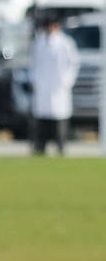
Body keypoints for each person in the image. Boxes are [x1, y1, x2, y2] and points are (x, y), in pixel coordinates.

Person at [29, 10, 79, 156]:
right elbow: (34, 64)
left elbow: (73, 64)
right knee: (42, 117)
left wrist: (67, 81)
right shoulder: (39, 42)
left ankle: (60, 145)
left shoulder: (66, 43)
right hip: (43, 86)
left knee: (59, 116)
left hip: (59, 86)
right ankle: (40, 146)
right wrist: (34, 80)